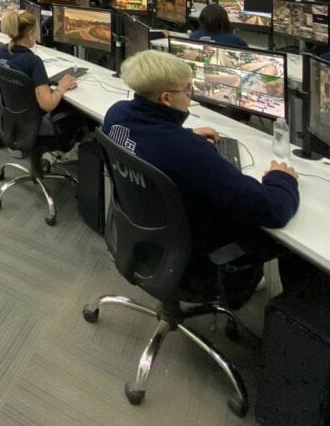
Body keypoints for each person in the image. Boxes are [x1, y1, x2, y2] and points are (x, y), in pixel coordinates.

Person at [104, 51, 299, 297]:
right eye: (187, 89)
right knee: (291, 243)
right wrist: (281, 178)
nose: (191, 93)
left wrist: (185, 134)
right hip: (195, 262)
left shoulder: (117, 113)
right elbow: (274, 210)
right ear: (166, 98)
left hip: (146, 240)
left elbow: (147, 141)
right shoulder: (187, 152)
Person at [0, 9, 78, 132]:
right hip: (34, 124)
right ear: (30, 34)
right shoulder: (33, 61)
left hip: (11, 118)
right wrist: (62, 87)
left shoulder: (1, 52)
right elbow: (47, 104)